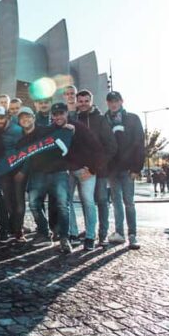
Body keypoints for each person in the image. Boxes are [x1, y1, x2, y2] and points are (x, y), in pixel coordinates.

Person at [16, 106, 70, 250]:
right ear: (19, 122)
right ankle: (44, 233)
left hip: (58, 171)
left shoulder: (46, 130)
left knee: (63, 205)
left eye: (28, 116)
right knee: (34, 204)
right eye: (22, 118)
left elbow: (62, 126)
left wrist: (69, 126)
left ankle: (64, 238)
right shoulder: (21, 142)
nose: (25, 120)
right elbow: (23, 161)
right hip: (37, 174)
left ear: (34, 118)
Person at [52, 102, 101, 250]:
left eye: (61, 113)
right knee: (67, 202)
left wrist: (92, 168)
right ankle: (73, 233)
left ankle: (90, 237)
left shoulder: (79, 127)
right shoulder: (53, 130)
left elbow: (96, 146)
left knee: (88, 201)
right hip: (68, 171)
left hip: (84, 170)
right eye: (55, 114)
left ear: (67, 113)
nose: (58, 116)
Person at [74, 90, 117, 246]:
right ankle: (88, 231)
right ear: (77, 102)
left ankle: (102, 234)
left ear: (91, 101)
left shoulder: (100, 120)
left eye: (86, 101)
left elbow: (111, 146)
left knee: (101, 200)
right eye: (81, 101)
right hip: (82, 170)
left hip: (99, 170)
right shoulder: (74, 119)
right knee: (87, 201)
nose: (83, 103)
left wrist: (96, 166)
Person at [104, 91, 144, 250]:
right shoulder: (104, 120)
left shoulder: (132, 118)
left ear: (122, 101)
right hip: (112, 169)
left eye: (116, 101)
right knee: (116, 202)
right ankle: (119, 233)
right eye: (110, 101)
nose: (113, 104)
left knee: (129, 202)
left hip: (128, 168)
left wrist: (137, 167)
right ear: (107, 103)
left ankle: (132, 235)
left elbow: (139, 143)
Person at [0, 106, 26, 242]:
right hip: (1, 170)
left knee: (18, 201)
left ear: (8, 117)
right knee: (4, 201)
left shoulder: (17, 130)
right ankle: (4, 228)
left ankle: (18, 229)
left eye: (1, 118)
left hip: (17, 169)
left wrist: (23, 170)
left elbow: (24, 150)